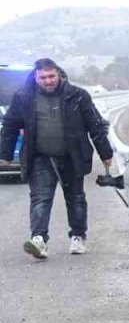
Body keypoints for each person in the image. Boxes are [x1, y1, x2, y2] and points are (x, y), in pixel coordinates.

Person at [0, 58, 113, 259]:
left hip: (72, 156)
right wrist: (5, 154)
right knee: (40, 199)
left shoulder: (78, 96)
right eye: (43, 77)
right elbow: (9, 125)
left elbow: (95, 125)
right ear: (35, 77)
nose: (48, 80)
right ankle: (39, 240)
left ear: (58, 74)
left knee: (76, 199)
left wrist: (106, 154)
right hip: (40, 157)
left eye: (51, 76)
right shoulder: (24, 97)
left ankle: (78, 237)